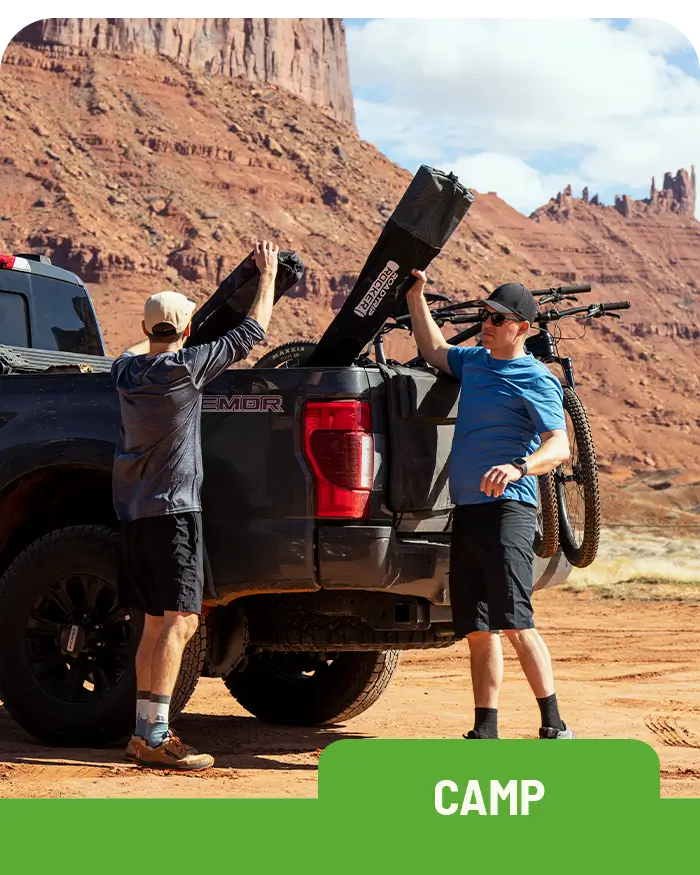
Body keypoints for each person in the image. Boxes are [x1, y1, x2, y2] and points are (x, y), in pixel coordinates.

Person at [111, 240, 280, 770]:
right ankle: (157, 735)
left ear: (144, 330)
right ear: (186, 332)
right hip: (175, 515)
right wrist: (268, 277)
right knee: (181, 622)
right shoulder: (186, 370)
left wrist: (164, 338)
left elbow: (139, 351)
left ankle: (144, 733)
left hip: (135, 515)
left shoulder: (124, 372)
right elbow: (254, 333)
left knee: (155, 623)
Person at [406, 271, 574, 740]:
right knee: (479, 629)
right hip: (469, 511)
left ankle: (555, 724)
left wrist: (520, 467)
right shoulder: (475, 363)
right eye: (486, 314)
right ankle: (485, 729)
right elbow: (434, 351)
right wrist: (415, 297)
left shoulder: (537, 378)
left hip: (509, 512)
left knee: (516, 621)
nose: (488, 322)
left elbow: (559, 446)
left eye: (499, 318)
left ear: (523, 328)